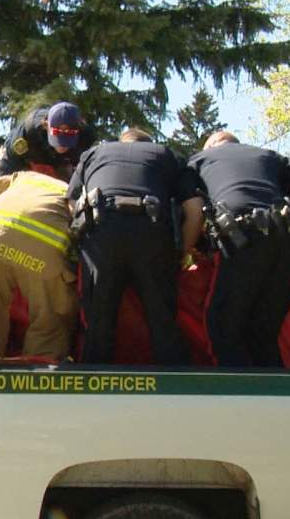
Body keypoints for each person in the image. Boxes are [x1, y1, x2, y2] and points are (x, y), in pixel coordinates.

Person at [67, 128, 204, 364]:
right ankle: (174, 382)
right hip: (152, 230)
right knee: (163, 322)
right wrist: (180, 253)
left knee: (99, 324)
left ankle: (95, 381)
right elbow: (195, 209)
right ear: (149, 144)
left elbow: (72, 203)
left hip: (102, 231)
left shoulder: (93, 154)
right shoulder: (167, 155)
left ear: (122, 141)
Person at [182, 131, 290, 367]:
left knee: (222, 326)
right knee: (265, 332)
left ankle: (235, 387)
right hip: (285, 237)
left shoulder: (200, 160)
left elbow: (190, 208)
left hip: (240, 238)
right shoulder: (269, 156)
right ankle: (273, 387)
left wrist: (193, 246)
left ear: (211, 147)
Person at [0, 170, 78, 360]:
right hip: (43, 254)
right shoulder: (70, 189)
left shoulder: (23, 178)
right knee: (48, 324)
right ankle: (39, 373)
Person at [0, 101, 97, 181]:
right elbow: (9, 162)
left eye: (69, 134)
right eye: (57, 133)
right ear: (46, 125)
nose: (62, 146)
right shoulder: (29, 132)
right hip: (25, 164)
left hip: (61, 168)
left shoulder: (86, 137)